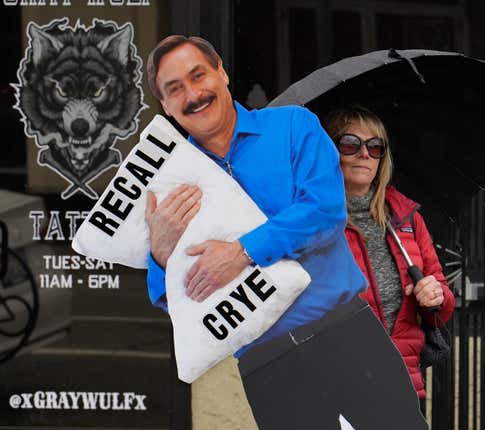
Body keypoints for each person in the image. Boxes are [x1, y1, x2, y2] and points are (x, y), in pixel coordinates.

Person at [143, 35, 428, 429]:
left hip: (344, 332)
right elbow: (168, 299)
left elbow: (325, 212)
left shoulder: (292, 127)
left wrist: (242, 252)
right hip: (266, 362)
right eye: (174, 89)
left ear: (221, 72)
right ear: (165, 105)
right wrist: (160, 253)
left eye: (198, 76)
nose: (192, 94)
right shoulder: (173, 179)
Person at [323, 106, 456, 414]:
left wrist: (434, 295)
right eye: (350, 144)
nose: (364, 154)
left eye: (374, 146)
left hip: (402, 381)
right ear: (330, 150)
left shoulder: (406, 218)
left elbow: (440, 305)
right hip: (340, 381)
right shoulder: (315, 222)